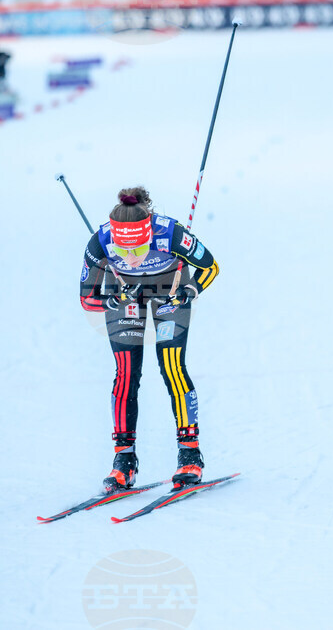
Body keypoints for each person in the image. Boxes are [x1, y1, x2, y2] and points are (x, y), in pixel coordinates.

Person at [80, 187, 220, 492]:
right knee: (127, 373)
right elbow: (86, 297)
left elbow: (210, 267)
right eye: (122, 252)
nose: (129, 259)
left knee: (171, 367)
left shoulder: (169, 234)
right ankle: (123, 462)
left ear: (149, 237)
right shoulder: (101, 241)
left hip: (168, 297)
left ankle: (189, 455)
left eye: (138, 249)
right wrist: (110, 301)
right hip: (125, 300)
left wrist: (189, 290)